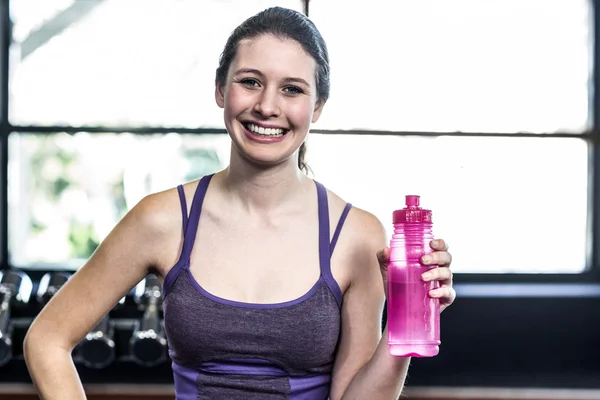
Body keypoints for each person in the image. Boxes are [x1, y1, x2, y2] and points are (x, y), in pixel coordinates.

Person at [23, 6, 455, 400]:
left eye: (292, 89)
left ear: (317, 106)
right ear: (219, 90)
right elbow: (47, 339)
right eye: (250, 82)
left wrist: (407, 320)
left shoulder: (358, 235)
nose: (267, 106)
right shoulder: (162, 219)